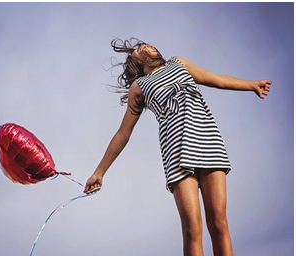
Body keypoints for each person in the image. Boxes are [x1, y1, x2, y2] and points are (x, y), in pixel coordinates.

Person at [83, 37, 272, 255]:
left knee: (218, 223)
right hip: (176, 153)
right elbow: (122, 134)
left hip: (208, 141)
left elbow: (216, 79)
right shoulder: (139, 86)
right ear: (136, 64)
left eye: (145, 44)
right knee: (192, 229)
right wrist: (99, 172)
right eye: (138, 49)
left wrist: (251, 85)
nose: (143, 46)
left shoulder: (178, 63)